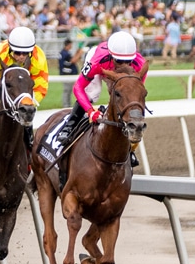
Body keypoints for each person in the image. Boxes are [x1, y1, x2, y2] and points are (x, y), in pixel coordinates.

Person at [53, 32, 148, 167]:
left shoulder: (140, 64)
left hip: (114, 71)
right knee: (93, 93)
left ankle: (130, 149)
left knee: (128, 104)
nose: (124, 66)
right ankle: (68, 127)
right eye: (119, 61)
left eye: (128, 62)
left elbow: (136, 94)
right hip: (102, 67)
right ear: (111, 56)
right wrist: (91, 111)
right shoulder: (97, 61)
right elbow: (78, 88)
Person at [58, 39, 78, 108]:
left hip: (66, 73)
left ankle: (68, 104)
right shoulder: (65, 53)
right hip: (67, 74)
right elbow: (70, 62)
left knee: (68, 90)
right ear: (68, 45)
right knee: (67, 90)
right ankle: (66, 105)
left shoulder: (63, 52)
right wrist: (79, 53)